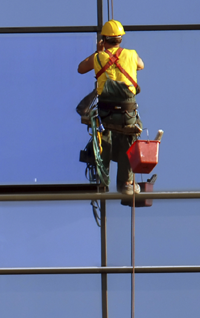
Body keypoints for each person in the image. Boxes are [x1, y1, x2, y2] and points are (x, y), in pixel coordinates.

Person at [77, 20, 146, 195]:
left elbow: (81, 68)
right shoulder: (131, 54)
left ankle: (102, 180)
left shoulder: (98, 57)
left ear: (103, 39)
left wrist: (100, 52)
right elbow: (141, 65)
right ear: (120, 39)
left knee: (103, 139)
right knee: (128, 139)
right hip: (126, 114)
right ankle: (126, 184)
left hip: (106, 113)